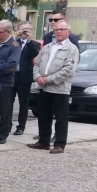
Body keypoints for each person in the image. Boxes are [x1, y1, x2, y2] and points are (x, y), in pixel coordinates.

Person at [28, 20, 79, 154]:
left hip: (59, 88)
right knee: (43, 115)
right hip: (43, 87)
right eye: (56, 30)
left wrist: (48, 79)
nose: (58, 32)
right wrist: (37, 77)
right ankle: (43, 141)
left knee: (61, 118)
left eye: (62, 29)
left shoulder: (71, 49)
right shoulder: (47, 47)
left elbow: (68, 70)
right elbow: (37, 63)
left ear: (68, 32)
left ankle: (60, 144)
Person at [0, 20, 21, 143]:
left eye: (0, 32)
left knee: (5, 110)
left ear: (8, 32)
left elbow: (11, 65)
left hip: (5, 83)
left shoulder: (14, 46)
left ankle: (3, 135)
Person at [13, 22, 41, 136]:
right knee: (7, 102)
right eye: (22, 29)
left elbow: (34, 53)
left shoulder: (34, 44)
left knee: (23, 103)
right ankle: (6, 125)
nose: (25, 31)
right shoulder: (14, 42)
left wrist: (29, 40)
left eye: (27, 29)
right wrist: (15, 37)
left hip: (24, 77)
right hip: (12, 75)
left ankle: (21, 126)